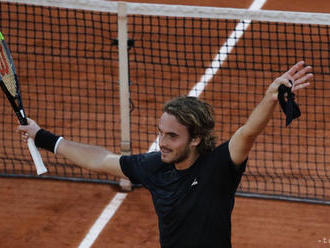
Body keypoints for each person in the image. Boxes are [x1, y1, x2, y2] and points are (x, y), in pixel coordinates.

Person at [18, 61, 312, 247]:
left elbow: (248, 131)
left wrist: (271, 96)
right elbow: (102, 160)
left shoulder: (219, 167)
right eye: (160, 132)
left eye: (172, 136)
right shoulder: (154, 166)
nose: (162, 142)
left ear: (196, 138)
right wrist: (42, 136)